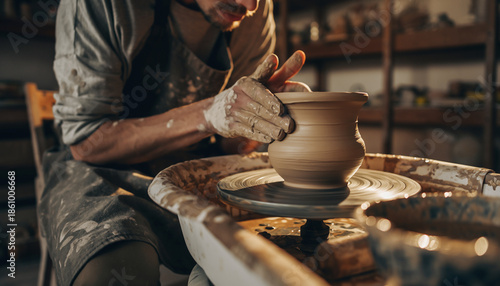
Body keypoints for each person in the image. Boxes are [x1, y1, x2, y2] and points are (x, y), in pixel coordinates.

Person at [39, 0, 310, 285]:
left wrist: (256, 118)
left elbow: (231, 146)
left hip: (191, 162)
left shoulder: (252, 14)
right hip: (100, 168)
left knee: (279, 241)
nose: (249, 4)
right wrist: (209, 114)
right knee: (117, 266)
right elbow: (87, 141)